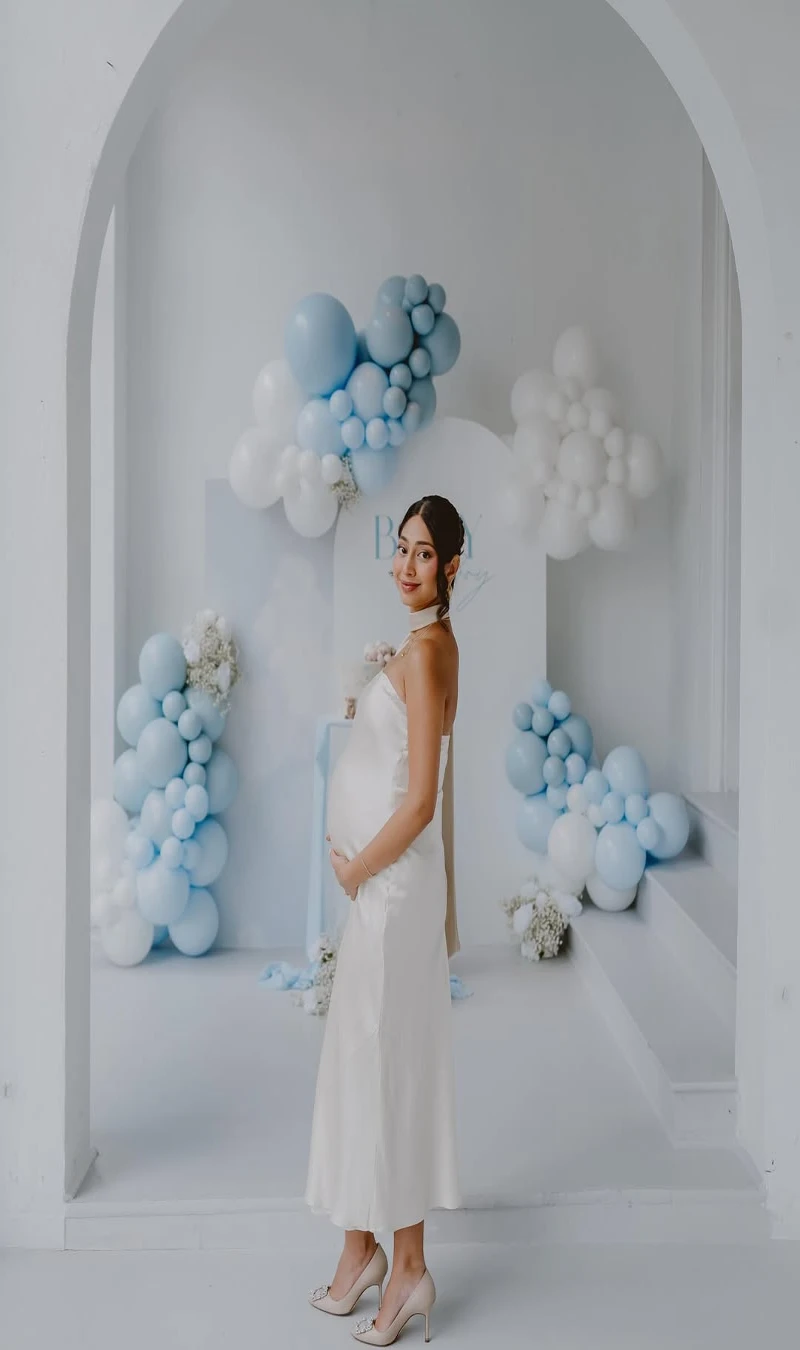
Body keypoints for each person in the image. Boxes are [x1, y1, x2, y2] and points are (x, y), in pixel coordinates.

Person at [305, 494, 465, 1345]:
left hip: (395, 896)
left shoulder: (432, 653)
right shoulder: (416, 648)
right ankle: (361, 1245)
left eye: (425, 554)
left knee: (388, 1061)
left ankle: (407, 1268)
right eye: (401, 549)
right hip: (382, 894)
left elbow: (422, 801)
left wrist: (358, 869)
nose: (406, 565)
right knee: (362, 1058)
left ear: (452, 568)